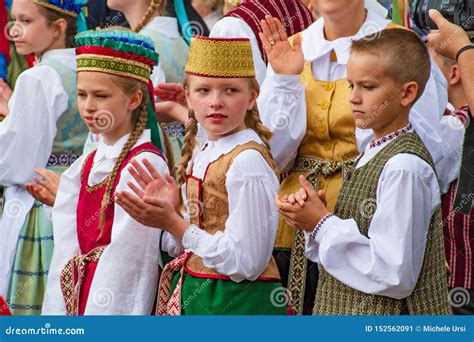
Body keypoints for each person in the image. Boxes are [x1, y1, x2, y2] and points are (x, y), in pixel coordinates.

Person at [258, 0, 447, 315]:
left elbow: (423, 152)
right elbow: (271, 154)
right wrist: (284, 81)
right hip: (301, 230)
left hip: (367, 231)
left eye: (367, 86)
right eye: (351, 86)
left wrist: (324, 222)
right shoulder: (293, 47)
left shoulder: (399, 48)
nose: (354, 96)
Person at [116, 36, 284, 315]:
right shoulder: (205, 151)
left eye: (230, 90)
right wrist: (172, 215)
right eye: (204, 91)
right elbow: (196, 241)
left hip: (237, 303)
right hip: (201, 294)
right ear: (189, 97)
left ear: (252, 97)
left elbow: (248, 262)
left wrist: (175, 223)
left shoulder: (247, 162)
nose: (216, 102)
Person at [41, 29, 169, 315]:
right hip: (79, 290)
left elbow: (131, 263)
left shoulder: (142, 165)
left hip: (110, 300)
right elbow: (65, 248)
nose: (88, 106)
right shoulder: (86, 164)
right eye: (82, 94)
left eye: (101, 95)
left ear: (134, 99)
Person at [0, 0, 88, 315]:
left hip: (39, 202)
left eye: (26, 20)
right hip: (76, 196)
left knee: (36, 302)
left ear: (57, 27)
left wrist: (7, 118)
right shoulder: (85, 65)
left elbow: (15, 161)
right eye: (13, 20)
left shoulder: (38, 77)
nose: (14, 30)